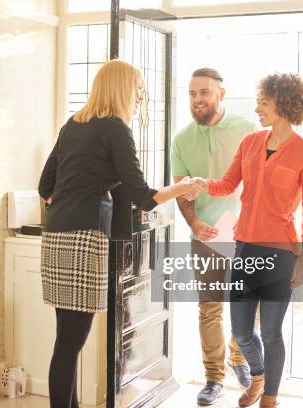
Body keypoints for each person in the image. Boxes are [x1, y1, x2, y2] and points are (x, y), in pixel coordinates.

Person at [38, 59, 200, 408]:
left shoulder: (73, 125)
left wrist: (80, 190)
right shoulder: (116, 128)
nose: (141, 97)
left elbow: (44, 186)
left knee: (67, 340)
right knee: (70, 342)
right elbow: (143, 196)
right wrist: (182, 187)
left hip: (55, 237)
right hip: (84, 238)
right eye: (139, 89)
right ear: (123, 89)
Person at [193, 72, 303, 408]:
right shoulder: (250, 142)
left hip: (281, 253)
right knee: (241, 331)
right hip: (246, 248)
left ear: (284, 104)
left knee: (272, 332)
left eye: (264, 102)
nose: (257, 108)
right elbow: (227, 184)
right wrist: (201, 183)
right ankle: (259, 378)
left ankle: (270, 398)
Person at [170, 67, 256, 405]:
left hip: (247, 232)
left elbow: (259, 182)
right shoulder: (181, 140)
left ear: (221, 94)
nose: (197, 100)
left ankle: (239, 357)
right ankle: (213, 378)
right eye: (192, 93)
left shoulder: (247, 130)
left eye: (204, 92)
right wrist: (193, 224)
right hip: (206, 234)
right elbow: (181, 190)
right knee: (210, 307)